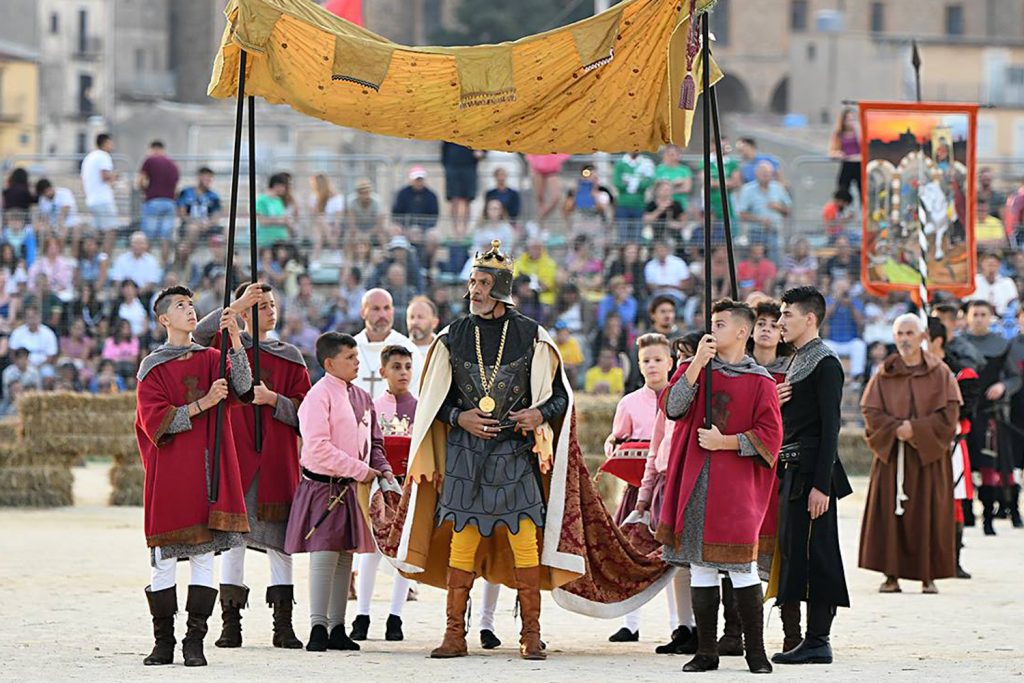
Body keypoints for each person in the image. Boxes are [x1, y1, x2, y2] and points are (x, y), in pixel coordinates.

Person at [657, 299, 782, 674]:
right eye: (712, 322)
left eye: (722, 324)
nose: (714, 329)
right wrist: (695, 363)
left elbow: (771, 437)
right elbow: (672, 408)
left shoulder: (761, 382)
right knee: (701, 567)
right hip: (695, 483)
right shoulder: (695, 369)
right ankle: (706, 651)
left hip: (737, 488)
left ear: (742, 332)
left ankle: (755, 652)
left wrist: (725, 442)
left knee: (742, 567)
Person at [134, 286, 252, 667]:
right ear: (164, 319)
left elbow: (245, 388)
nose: (189, 310)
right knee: (164, 558)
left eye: (191, 304)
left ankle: (194, 640)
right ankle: (163, 641)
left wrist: (234, 337)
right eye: (180, 306)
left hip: (209, 468)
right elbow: (156, 422)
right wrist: (203, 403)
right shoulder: (151, 367)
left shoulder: (213, 358)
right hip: (171, 470)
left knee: (204, 556)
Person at [194, 283, 312, 650]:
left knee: (280, 544)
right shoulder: (225, 349)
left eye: (273, 304)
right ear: (246, 312)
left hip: (277, 460)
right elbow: (199, 335)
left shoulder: (290, 355)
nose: (270, 310)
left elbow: (307, 413)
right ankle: (231, 623)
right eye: (261, 305)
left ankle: (284, 625)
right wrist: (236, 304)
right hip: (238, 457)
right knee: (235, 542)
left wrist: (273, 399)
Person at [283, 332, 394, 652]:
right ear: (330, 363)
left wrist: (382, 468)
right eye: (350, 358)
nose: (357, 362)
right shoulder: (318, 397)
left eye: (357, 357)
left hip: (351, 488)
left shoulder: (362, 397)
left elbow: (375, 443)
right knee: (324, 554)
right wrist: (361, 470)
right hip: (324, 486)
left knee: (346, 553)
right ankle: (317, 625)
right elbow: (317, 449)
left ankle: (337, 627)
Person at [772, 286, 851, 666]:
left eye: (787, 314)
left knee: (816, 554)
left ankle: (819, 639)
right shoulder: (798, 361)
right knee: (794, 554)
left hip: (813, 477)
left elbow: (831, 427)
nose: (780, 321)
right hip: (792, 472)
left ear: (810, 319)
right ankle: (802, 638)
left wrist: (822, 484)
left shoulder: (826, 363)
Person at [859, 314, 959, 594]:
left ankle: (929, 575)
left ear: (923, 336)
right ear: (894, 337)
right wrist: (895, 429)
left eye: (910, 333)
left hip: (927, 458)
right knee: (891, 517)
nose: (904, 338)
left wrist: (915, 430)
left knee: (928, 514)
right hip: (893, 455)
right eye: (900, 333)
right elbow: (870, 411)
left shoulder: (940, 372)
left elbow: (950, 415)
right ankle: (891, 576)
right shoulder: (884, 372)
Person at [605, 333, 675, 643]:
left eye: (658, 359)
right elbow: (616, 439)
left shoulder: (682, 399)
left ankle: (680, 625)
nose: (652, 365)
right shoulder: (629, 402)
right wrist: (612, 446)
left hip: (672, 488)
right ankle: (630, 624)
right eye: (646, 361)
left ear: (670, 362)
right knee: (632, 553)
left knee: (674, 559)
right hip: (636, 488)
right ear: (638, 365)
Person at [351, 345, 418, 643]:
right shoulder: (372, 406)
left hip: (409, 486)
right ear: (383, 372)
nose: (403, 372)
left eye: (407, 366)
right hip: (379, 484)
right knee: (373, 552)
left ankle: (396, 616)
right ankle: (362, 614)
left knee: (404, 552)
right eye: (396, 367)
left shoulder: (421, 407)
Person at [962, 300, 1023, 534]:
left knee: (992, 467)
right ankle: (966, 514)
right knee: (965, 466)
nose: (978, 318)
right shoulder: (959, 345)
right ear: (967, 317)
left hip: (991, 414)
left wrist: (1002, 386)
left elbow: (1014, 376)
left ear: (991, 317)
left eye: (983, 314)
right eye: (974, 314)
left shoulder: (1002, 345)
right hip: (965, 414)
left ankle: (989, 519)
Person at [927, 317, 980, 578]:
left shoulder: (961, 373)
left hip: (951, 444)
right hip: (920, 443)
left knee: (954, 504)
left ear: (935, 341)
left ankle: (952, 560)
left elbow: (965, 412)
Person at [351, 288, 420, 400]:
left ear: (392, 311)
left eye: (386, 308)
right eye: (376, 309)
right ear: (363, 312)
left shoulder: (407, 348)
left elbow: (415, 394)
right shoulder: (350, 349)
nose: (382, 314)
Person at [736, 161, 791, 262]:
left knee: (775, 261)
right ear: (756, 174)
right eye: (763, 173)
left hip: (774, 232)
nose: (766, 176)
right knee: (757, 261)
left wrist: (778, 207)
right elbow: (741, 214)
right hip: (755, 233)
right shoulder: (747, 189)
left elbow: (788, 211)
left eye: (768, 173)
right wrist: (760, 220)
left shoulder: (778, 188)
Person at [138, 141, 181, 263]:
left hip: (153, 201)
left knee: (148, 238)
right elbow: (176, 188)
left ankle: (146, 264)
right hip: (170, 203)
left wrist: (144, 191)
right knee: (165, 238)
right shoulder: (173, 165)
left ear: (153, 149)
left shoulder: (149, 161)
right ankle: (164, 266)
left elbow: (141, 181)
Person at [81, 133, 120, 253]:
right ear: (105, 143)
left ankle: (93, 259)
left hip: (92, 199)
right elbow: (104, 175)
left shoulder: (89, 157)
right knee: (111, 230)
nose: (112, 146)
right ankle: (105, 259)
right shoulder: (103, 156)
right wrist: (115, 175)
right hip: (102, 200)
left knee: (97, 233)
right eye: (110, 143)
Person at [442, 142, 484, 236]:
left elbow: (483, 141)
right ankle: (455, 231)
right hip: (452, 165)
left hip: (469, 165)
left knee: (467, 200)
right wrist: (446, 165)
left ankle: (465, 231)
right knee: (454, 200)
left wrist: (483, 152)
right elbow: (444, 145)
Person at [613, 152, 656, 241]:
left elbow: (648, 182)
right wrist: (634, 182)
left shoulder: (645, 162)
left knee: (637, 236)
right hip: (623, 205)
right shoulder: (620, 163)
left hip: (639, 205)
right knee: (622, 236)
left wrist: (632, 183)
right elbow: (617, 182)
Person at [177, 167, 222, 245]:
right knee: (193, 228)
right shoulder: (186, 192)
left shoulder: (214, 196)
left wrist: (208, 223)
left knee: (227, 231)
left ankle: (226, 256)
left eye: (210, 178)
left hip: (207, 226)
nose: (208, 180)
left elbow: (216, 217)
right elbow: (182, 213)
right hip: (189, 225)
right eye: (205, 177)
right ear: (199, 177)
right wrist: (195, 222)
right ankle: (187, 253)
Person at [9, 306, 58, 372]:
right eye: (29, 317)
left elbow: (51, 355)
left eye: (34, 317)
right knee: (9, 372)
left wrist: (38, 367)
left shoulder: (48, 333)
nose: (32, 320)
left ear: (39, 317)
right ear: (25, 319)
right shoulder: (17, 332)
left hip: (43, 366)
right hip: (21, 366)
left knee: (48, 373)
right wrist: (22, 365)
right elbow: (13, 352)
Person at [392, 166, 439, 231]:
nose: (419, 182)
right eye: (417, 180)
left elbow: (433, 216)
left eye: (421, 180)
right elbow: (397, 213)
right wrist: (404, 227)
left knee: (433, 235)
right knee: (395, 230)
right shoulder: (402, 194)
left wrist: (423, 228)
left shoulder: (431, 196)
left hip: (426, 228)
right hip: (405, 227)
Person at [644, 242, 691, 308]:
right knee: (648, 307)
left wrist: (670, 286)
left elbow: (685, 284)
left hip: (675, 294)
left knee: (668, 306)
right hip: (657, 295)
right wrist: (662, 287)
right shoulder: (650, 265)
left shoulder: (679, 262)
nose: (661, 253)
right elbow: (650, 285)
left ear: (667, 250)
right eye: (658, 251)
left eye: (662, 250)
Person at [526, 153, 570, 223]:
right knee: (540, 199)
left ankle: (539, 219)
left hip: (551, 169)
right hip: (537, 168)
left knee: (556, 197)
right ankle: (540, 226)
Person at [828, 108, 861, 198]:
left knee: (862, 191)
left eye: (852, 119)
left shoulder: (858, 131)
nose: (850, 122)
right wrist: (838, 154)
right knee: (842, 190)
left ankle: (863, 209)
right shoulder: (839, 133)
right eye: (848, 119)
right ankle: (842, 209)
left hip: (859, 163)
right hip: (846, 163)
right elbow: (832, 150)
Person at [34, 178, 79, 244]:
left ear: (50, 188)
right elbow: (43, 217)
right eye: (43, 194)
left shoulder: (64, 193)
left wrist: (59, 226)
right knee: (40, 230)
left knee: (64, 232)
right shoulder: (42, 199)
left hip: (69, 223)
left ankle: (63, 253)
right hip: (52, 227)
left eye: (46, 192)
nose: (45, 195)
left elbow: (64, 213)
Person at [255, 174, 294, 245]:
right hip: (267, 242)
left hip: (282, 240)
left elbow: (283, 218)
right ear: (276, 185)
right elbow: (262, 221)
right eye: (283, 186)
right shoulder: (261, 200)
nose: (285, 189)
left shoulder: (278, 200)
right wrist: (280, 221)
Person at [406, 295, 439, 362]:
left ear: (434, 323)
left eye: (420, 317)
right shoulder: (398, 350)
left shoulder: (444, 351)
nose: (414, 322)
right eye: (411, 317)